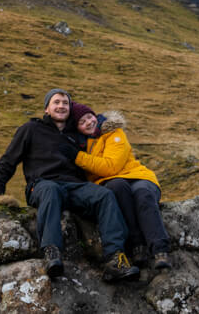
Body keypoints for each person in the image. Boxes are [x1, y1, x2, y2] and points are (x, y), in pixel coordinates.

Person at [0, 88, 140, 282]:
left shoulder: (76, 135)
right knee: (50, 190)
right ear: (47, 108)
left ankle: (115, 259)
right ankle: (52, 252)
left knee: (104, 195)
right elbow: (8, 162)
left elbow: (96, 149)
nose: (61, 106)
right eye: (56, 102)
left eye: (65, 103)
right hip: (41, 184)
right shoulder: (31, 129)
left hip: (75, 187)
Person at [62, 102, 171, 270]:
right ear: (77, 128)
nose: (89, 122)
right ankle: (137, 247)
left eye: (89, 117)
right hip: (112, 183)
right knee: (117, 189)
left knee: (142, 194)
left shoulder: (113, 132)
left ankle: (160, 251)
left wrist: (78, 157)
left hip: (137, 176)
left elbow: (111, 166)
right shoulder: (82, 145)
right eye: (82, 122)